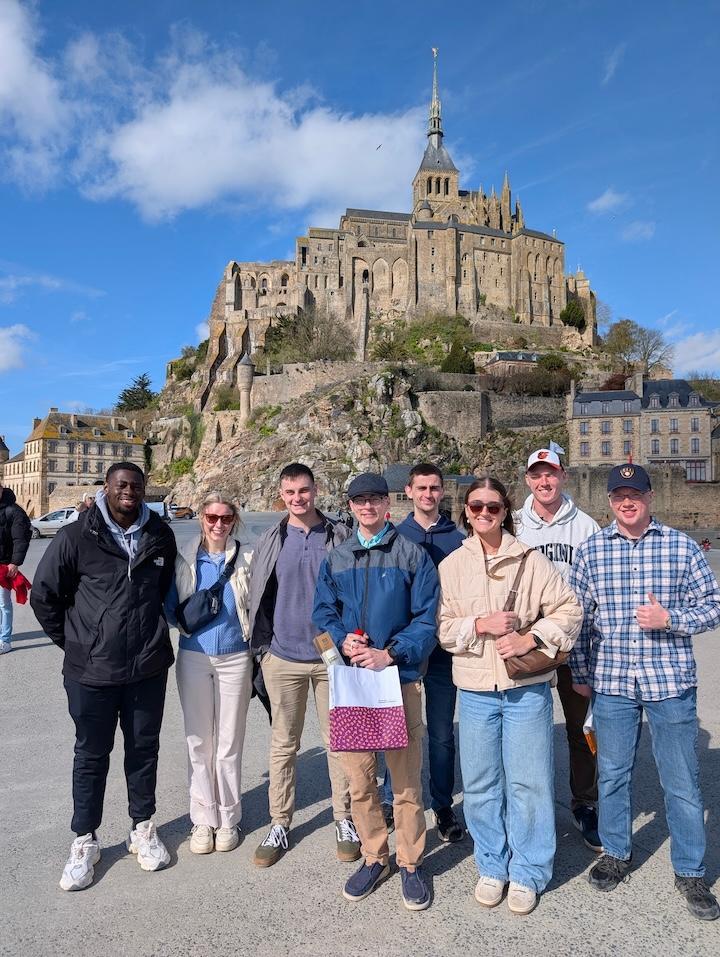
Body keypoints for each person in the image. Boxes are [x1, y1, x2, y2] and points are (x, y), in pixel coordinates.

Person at [569, 463, 720, 921]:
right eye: (619, 495)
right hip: (612, 682)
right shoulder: (592, 550)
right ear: (610, 501)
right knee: (613, 774)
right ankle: (616, 852)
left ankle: (691, 871)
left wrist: (670, 619)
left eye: (635, 493)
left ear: (650, 497)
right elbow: (577, 617)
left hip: (669, 681)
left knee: (683, 783)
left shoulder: (681, 546)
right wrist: (579, 670)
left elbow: (712, 607)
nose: (627, 501)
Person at [438, 476, 582, 916]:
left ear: (506, 512)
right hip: (477, 690)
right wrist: (479, 626)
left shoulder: (532, 562)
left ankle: (529, 870)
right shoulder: (451, 566)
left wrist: (530, 639)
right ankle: (491, 864)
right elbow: (443, 631)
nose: (484, 513)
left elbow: (570, 609)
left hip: (526, 690)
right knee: (481, 784)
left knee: (530, 782)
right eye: (476, 506)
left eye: (493, 507)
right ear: (465, 511)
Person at [30, 462, 177, 891]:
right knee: (91, 756)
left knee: (143, 752)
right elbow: (44, 596)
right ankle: (85, 839)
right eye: (120, 485)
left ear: (144, 490)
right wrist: (78, 643)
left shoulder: (160, 535)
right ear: (106, 489)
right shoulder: (76, 535)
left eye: (135, 485)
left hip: (147, 667)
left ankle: (142, 827)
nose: (128, 492)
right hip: (90, 672)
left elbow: (164, 592)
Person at [313, 473, 439, 911]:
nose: (367, 507)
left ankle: (410, 862)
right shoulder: (337, 557)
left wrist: (393, 653)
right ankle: (374, 856)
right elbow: (323, 613)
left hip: (396, 681)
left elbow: (427, 620)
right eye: (359, 500)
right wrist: (341, 639)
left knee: (404, 782)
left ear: (388, 504)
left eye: (374, 499)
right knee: (361, 780)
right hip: (351, 684)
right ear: (350, 507)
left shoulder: (412, 555)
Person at [248, 463, 359, 867]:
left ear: (316, 491)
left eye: (305, 491)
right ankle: (280, 822)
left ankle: (344, 818)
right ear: (282, 493)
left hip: (331, 656)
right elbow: (256, 594)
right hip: (284, 656)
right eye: (291, 492)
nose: (299, 498)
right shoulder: (271, 539)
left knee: (338, 742)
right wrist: (262, 651)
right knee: (283, 744)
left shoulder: (339, 535)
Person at [514, 448, 601, 852]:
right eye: (536, 475)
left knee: (580, 729)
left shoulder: (584, 527)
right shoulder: (515, 524)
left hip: (574, 642)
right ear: (528, 480)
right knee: (526, 730)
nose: (544, 482)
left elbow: (597, 587)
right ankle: (528, 807)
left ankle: (585, 803)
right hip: (527, 642)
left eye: (550, 474)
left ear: (563, 476)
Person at [166, 492, 254, 855]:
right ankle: (203, 817)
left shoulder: (247, 556)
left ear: (235, 520)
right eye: (212, 517)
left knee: (229, 742)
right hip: (194, 655)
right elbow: (170, 605)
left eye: (226, 518)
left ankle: (229, 817)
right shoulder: (185, 557)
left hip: (236, 657)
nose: (218, 524)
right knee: (198, 740)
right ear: (201, 518)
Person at [393, 463, 464, 842]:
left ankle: (442, 804)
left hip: (443, 650)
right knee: (398, 730)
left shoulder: (459, 538)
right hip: (404, 647)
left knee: (440, 733)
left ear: (442, 492)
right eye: (421, 488)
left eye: (434, 488)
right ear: (408, 491)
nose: (428, 494)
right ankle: (396, 800)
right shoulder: (395, 537)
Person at [0, 479, 32, 655]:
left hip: (4, 565)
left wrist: (15, 562)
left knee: (4, 604)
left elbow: (20, 539)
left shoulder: (13, 511)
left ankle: (5, 640)